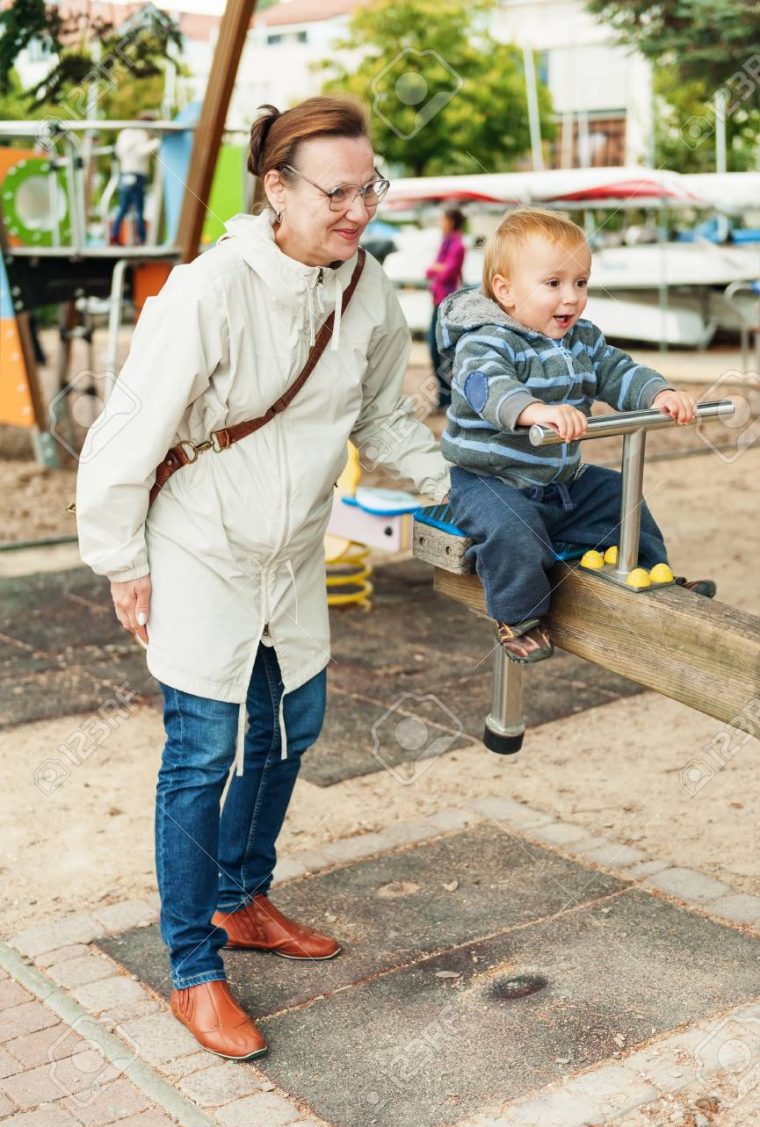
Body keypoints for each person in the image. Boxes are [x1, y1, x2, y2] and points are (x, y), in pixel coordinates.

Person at [76, 97, 450, 1059]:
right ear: (276, 188)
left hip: (291, 555)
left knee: (295, 724)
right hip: (199, 547)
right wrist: (123, 564)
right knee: (202, 752)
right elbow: (126, 434)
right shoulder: (210, 289)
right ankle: (194, 969)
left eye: (372, 187)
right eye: (338, 191)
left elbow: (385, 418)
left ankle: (242, 897)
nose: (360, 208)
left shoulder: (366, 290)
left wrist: (470, 492)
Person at [437, 207, 714, 664]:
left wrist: (658, 393)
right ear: (505, 291)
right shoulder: (486, 340)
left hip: (557, 481)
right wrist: (533, 411)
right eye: (553, 284)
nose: (571, 298)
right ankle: (519, 617)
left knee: (617, 495)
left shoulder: (582, 340)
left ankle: (651, 572)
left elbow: (617, 371)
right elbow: (484, 385)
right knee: (513, 530)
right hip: (489, 481)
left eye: (580, 283)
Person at [425, 207, 466, 410]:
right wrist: (436, 268)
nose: (441, 223)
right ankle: (444, 396)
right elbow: (430, 271)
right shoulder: (446, 243)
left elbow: (445, 273)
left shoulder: (457, 245)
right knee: (434, 350)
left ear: (451, 221)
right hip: (437, 301)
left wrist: (436, 268)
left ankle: (449, 397)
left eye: (443, 219)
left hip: (447, 304)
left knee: (443, 351)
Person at [110, 111, 159, 245]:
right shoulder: (140, 135)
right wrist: (157, 142)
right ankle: (141, 238)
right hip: (137, 174)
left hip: (126, 172)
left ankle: (114, 234)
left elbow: (120, 152)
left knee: (123, 207)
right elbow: (142, 151)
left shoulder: (125, 133)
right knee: (139, 208)